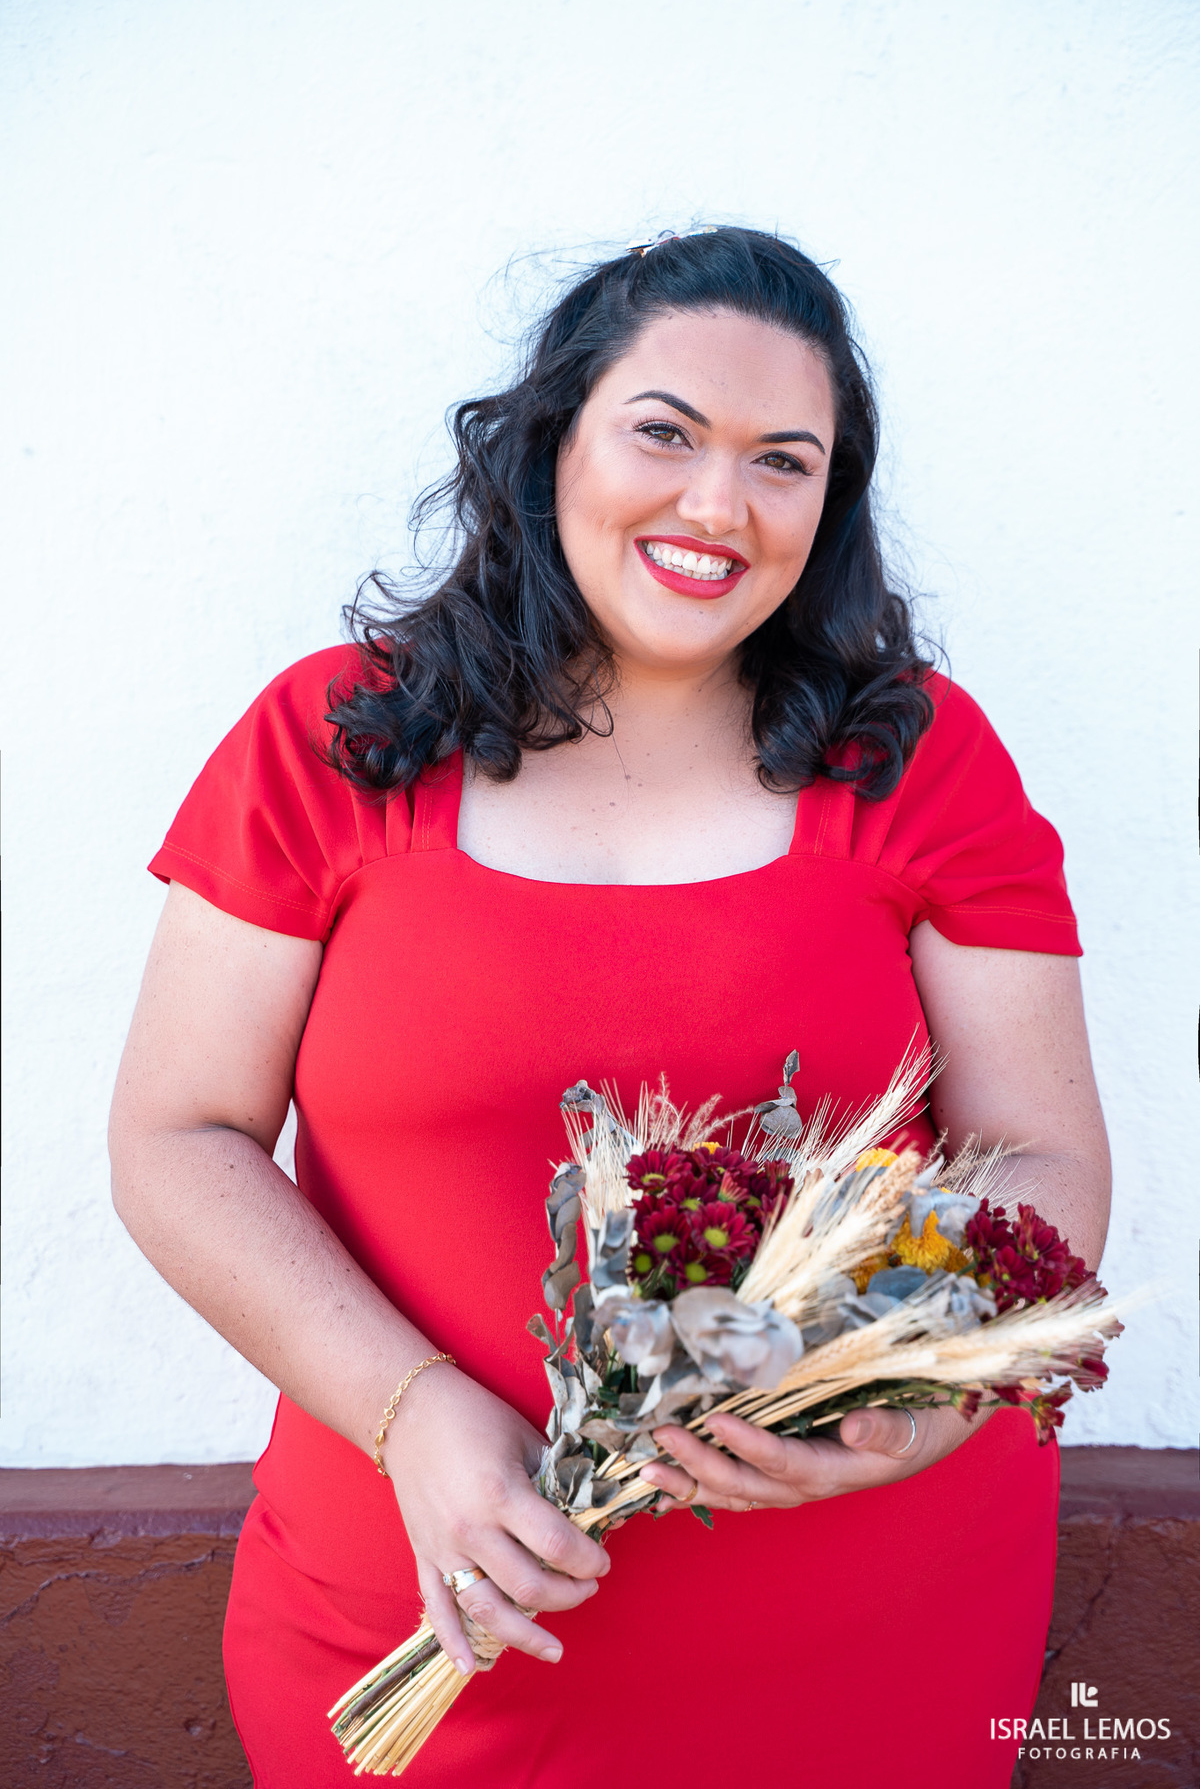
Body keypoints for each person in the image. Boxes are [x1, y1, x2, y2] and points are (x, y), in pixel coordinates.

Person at [109, 227, 1110, 1788]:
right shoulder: (334, 740)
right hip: (434, 1632)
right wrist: (413, 1414)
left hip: (875, 1649)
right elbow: (178, 1138)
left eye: (785, 460)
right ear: (550, 439)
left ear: (827, 506)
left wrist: (922, 1396)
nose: (719, 505)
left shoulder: (919, 763)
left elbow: (1042, 1162)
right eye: (665, 432)